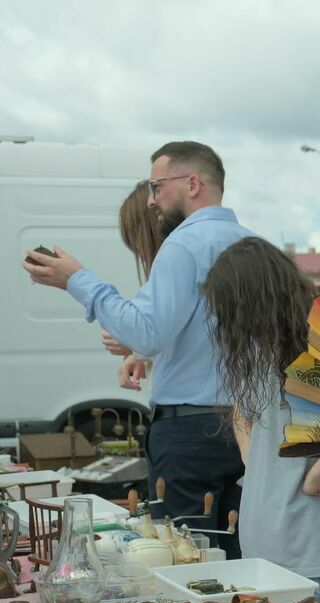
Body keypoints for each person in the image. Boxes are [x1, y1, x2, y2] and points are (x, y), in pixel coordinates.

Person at [23, 142, 253, 556]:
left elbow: (147, 332)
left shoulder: (182, 245)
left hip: (188, 435)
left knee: (182, 559)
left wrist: (78, 280)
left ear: (192, 183)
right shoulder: (253, 245)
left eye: (156, 186)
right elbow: (213, 333)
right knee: (237, 555)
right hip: (247, 428)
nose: (151, 199)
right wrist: (144, 351)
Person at [203, 237, 320, 602]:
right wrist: (264, 463)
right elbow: (241, 414)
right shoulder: (262, 350)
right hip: (275, 541)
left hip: (311, 544)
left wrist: (315, 476)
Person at [103, 180, 166, 391]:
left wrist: (136, 346)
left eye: (134, 237)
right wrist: (140, 355)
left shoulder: (172, 271)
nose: (137, 248)